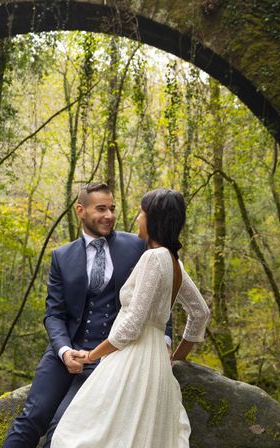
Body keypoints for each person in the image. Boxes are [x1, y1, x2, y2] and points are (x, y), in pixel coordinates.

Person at [2, 182, 172, 448]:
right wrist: (64, 351)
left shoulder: (137, 247)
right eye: (101, 208)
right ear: (81, 210)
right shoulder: (61, 256)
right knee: (30, 419)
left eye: (112, 208)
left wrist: (165, 341)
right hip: (65, 351)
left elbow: (159, 297)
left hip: (110, 357)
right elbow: (54, 314)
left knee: (63, 428)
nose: (110, 215)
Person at [51, 188, 211, 447]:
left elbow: (133, 324)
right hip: (156, 360)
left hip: (132, 359)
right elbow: (200, 313)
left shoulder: (153, 258)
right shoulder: (174, 262)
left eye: (142, 212)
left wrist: (91, 355)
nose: (138, 218)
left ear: (153, 220)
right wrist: (176, 357)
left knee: (78, 434)